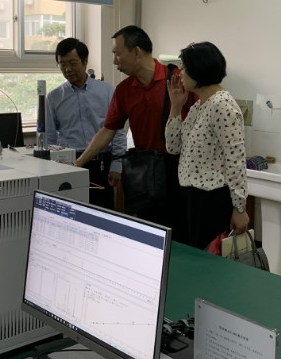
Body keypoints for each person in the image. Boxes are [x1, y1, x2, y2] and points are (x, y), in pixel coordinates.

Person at [75, 26, 194, 240]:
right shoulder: (123, 90)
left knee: (183, 238)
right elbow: (108, 131)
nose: (115, 61)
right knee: (149, 236)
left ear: (136, 51)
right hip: (146, 176)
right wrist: (78, 163)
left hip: (181, 173)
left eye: (117, 54)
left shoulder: (179, 79)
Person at [165, 42, 249, 250]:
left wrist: (239, 208)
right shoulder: (198, 105)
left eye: (184, 68)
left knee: (208, 260)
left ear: (199, 69)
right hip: (191, 196)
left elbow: (236, 159)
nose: (180, 73)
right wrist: (176, 106)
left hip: (211, 200)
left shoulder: (222, 105)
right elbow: (173, 147)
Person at [45, 37, 126, 209]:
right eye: (62, 65)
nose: (68, 69)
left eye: (73, 63)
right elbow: (49, 138)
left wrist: (116, 164)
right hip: (70, 164)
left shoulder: (107, 91)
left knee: (103, 213)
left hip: (102, 164)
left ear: (85, 61)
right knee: (72, 213)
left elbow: (117, 130)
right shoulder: (53, 98)